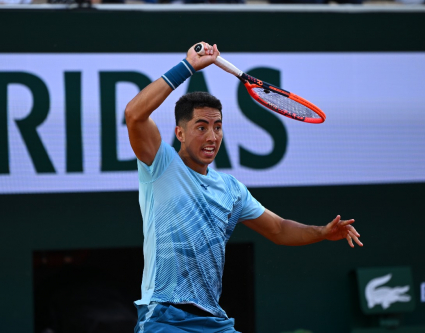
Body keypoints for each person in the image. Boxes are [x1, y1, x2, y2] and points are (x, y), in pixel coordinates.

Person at [125, 41, 363, 333]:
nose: (212, 136)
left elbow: (279, 229)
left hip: (213, 320)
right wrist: (187, 67)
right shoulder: (161, 165)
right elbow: (134, 114)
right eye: (201, 127)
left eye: (218, 126)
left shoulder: (231, 189)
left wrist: (322, 232)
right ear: (180, 133)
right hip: (164, 316)